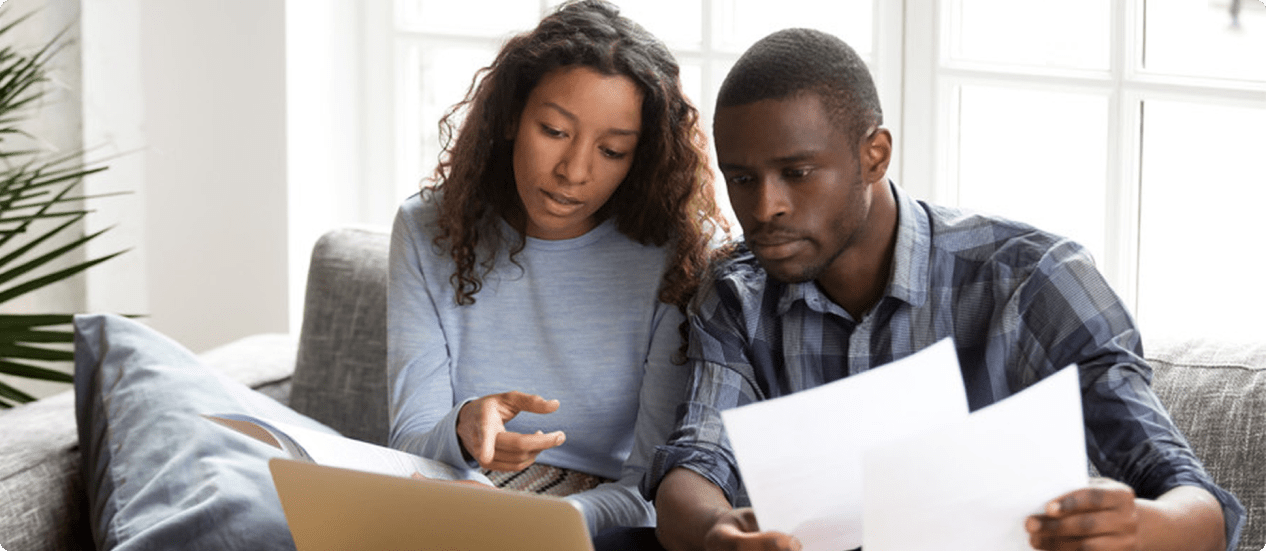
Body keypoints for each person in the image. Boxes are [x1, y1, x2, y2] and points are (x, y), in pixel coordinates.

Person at [640, 28, 1245, 551]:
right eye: (742, 178)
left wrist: (1149, 528)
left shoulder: (1034, 280)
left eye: (797, 174)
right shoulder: (737, 293)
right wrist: (716, 530)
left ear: (874, 155)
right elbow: (696, 462)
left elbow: (1195, 503)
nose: (765, 206)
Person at [386, 0, 726, 543]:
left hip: (598, 525)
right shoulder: (427, 229)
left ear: (641, 158)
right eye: (554, 130)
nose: (574, 172)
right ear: (510, 119)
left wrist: (545, 521)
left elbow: (655, 489)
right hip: (454, 500)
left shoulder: (676, 255)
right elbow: (407, 445)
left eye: (612, 150)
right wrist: (462, 427)